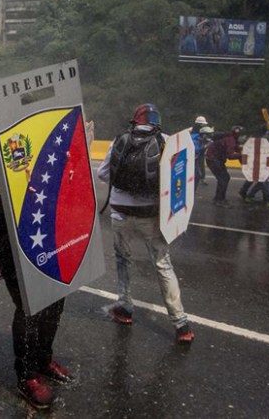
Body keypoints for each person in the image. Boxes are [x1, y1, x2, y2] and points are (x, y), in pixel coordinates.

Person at [0, 147, 73, 410]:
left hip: (46, 230)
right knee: (29, 305)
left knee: (55, 297)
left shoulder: (48, 142)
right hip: (10, 237)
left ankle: (44, 359)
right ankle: (27, 375)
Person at [98, 103, 195, 344]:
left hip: (120, 214)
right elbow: (177, 180)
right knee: (163, 264)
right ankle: (181, 323)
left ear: (135, 119)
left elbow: (102, 173)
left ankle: (125, 307)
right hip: (151, 215)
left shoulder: (119, 139)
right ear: (156, 121)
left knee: (123, 260)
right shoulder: (167, 141)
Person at [239, 120, 269, 208]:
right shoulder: (268, 138)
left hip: (257, 161)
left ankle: (247, 194)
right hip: (259, 161)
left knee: (257, 178)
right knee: (266, 180)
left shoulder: (266, 136)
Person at [206, 126, 242, 208]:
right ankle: (219, 200)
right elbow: (230, 155)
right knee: (223, 178)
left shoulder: (229, 138)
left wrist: (240, 155)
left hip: (213, 159)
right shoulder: (230, 140)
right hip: (213, 160)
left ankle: (218, 198)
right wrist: (241, 156)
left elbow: (235, 150)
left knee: (224, 178)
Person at [191, 115, 210, 188]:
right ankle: (199, 178)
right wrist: (205, 145)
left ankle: (201, 177)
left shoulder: (194, 130)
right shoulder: (196, 133)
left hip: (199, 151)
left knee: (201, 164)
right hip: (197, 151)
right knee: (198, 165)